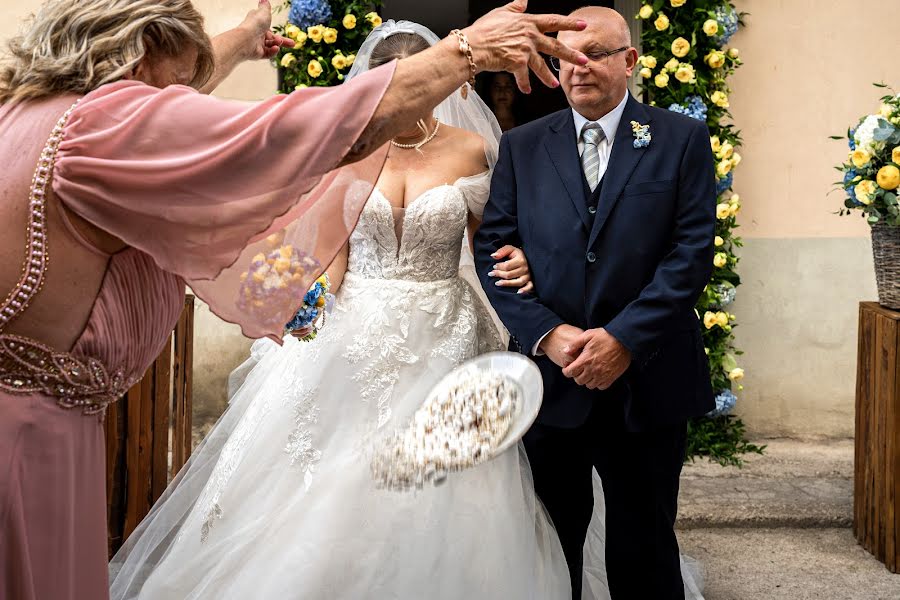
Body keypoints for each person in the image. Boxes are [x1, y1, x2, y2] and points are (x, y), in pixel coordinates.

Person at [0, 0, 589, 597]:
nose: (185, 98)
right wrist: (469, 50)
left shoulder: (31, 115)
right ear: (140, 53)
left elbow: (493, 238)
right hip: (29, 434)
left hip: (440, 323)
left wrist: (239, 38)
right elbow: (272, 144)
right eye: (180, 81)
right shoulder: (99, 128)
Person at [474, 6, 716, 600]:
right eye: (564, 59)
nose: (577, 70)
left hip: (647, 376)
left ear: (629, 61)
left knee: (646, 540)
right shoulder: (524, 146)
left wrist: (624, 339)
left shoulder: (680, 139)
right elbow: (494, 249)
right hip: (551, 380)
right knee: (552, 544)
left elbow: (692, 252)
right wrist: (548, 336)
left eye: (594, 56)